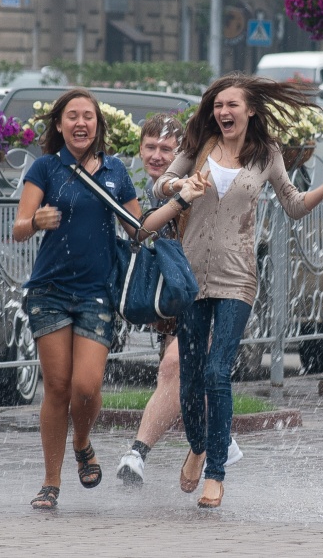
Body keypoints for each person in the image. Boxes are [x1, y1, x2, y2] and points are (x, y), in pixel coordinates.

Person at [152, 73, 323, 509]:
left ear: (249, 111)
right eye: (218, 105)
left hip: (238, 278)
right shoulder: (198, 145)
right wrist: (178, 186)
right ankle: (197, 445)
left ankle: (215, 473)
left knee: (216, 372)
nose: (223, 112)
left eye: (232, 105)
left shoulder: (266, 154)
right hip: (190, 277)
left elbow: (294, 205)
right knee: (190, 377)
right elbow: (160, 183)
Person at [12, 88, 207, 510]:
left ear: (98, 125)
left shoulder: (115, 171)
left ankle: (82, 441)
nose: (80, 123)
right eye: (72, 116)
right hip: (49, 291)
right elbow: (19, 228)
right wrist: (36, 220)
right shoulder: (45, 168)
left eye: (88, 116)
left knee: (86, 387)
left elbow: (140, 228)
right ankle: (50, 482)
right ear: (60, 124)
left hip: (97, 293)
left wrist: (179, 201)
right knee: (57, 388)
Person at [116, 114, 242, 486]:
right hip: (175, 297)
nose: (157, 155)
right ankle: (219, 438)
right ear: (139, 149)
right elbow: (140, 233)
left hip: (213, 290)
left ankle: (137, 454)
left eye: (166, 149)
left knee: (175, 367)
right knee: (186, 376)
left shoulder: (199, 182)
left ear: (181, 154)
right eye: (150, 147)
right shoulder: (146, 187)